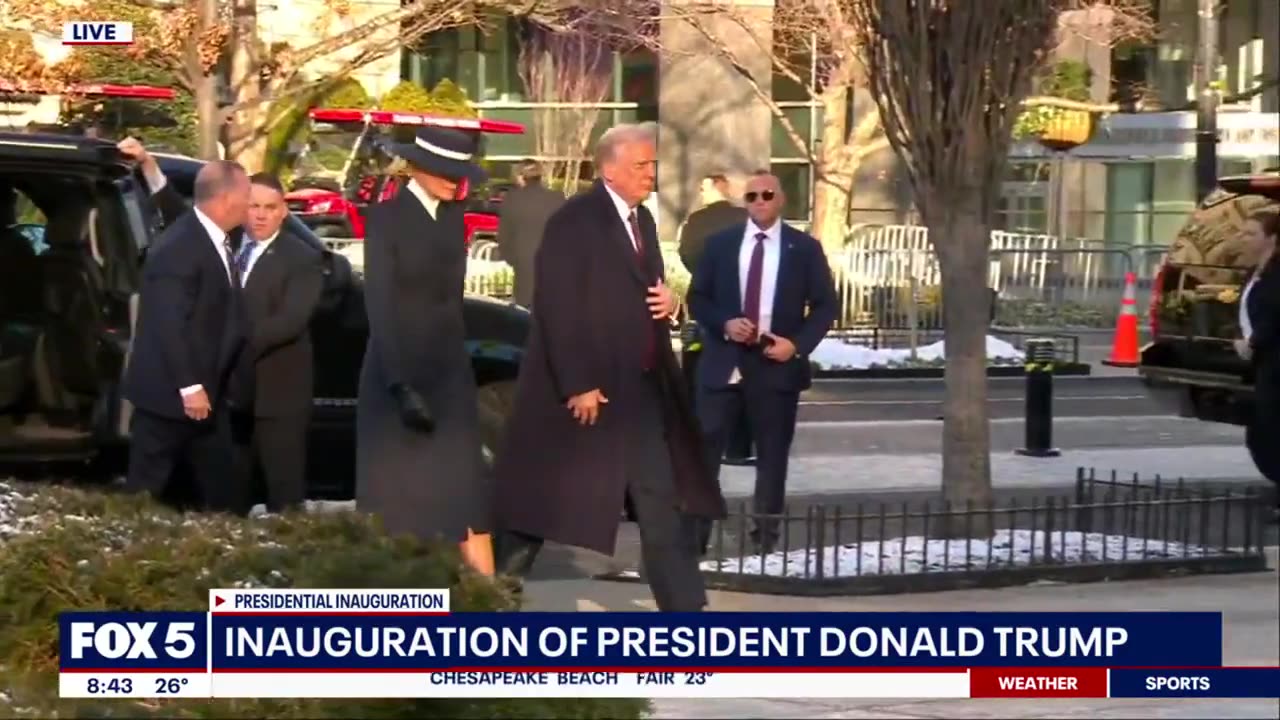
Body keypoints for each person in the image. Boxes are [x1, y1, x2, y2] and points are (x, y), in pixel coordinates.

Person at [492, 123, 726, 612]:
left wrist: (671, 305)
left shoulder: (642, 221)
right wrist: (577, 384)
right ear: (610, 168)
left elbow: (646, 291)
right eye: (641, 166)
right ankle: (493, 596)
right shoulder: (574, 221)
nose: (650, 175)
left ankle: (686, 610)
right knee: (544, 504)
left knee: (660, 502)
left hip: (640, 392)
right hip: (587, 394)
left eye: (652, 165)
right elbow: (556, 305)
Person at [356, 124, 495, 575]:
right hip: (398, 376)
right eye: (447, 172)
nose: (457, 181)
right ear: (419, 167)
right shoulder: (388, 219)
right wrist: (400, 385)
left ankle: (487, 615)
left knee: (467, 500)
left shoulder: (455, 217)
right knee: (400, 511)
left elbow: (451, 302)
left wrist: (460, 369)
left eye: (461, 173)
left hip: (449, 374)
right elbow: (379, 304)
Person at [689, 171, 838, 555]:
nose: (759, 201)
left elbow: (825, 305)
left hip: (775, 367)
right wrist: (724, 323)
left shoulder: (802, 248)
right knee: (705, 455)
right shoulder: (720, 245)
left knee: (771, 458)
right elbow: (698, 298)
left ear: (781, 198)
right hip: (724, 365)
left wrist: (797, 345)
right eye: (751, 195)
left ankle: (765, 542)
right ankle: (695, 539)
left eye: (767, 194)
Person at [121, 160, 251, 514]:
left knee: (223, 488)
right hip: (171, 397)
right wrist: (190, 386)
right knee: (146, 490)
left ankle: (223, 551)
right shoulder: (179, 247)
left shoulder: (213, 238)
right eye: (246, 198)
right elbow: (168, 323)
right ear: (225, 200)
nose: (249, 207)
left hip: (207, 400)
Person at [227, 173, 325, 514]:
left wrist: (229, 344)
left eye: (270, 207)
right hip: (233, 396)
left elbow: (290, 320)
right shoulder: (229, 244)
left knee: (283, 495)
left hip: (279, 395)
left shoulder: (303, 258)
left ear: (284, 212)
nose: (260, 214)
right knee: (229, 492)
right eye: (253, 206)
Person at [676, 173, 755, 469]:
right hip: (743, 299)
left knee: (700, 363)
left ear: (714, 189)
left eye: (702, 187)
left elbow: (686, 254)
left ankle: (701, 437)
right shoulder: (745, 217)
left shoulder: (696, 221)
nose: (699, 191)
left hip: (706, 300)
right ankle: (740, 445)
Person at [1233, 208, 1280, 524]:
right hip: (1264, 363)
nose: (1243, 238)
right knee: (1261, 431)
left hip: (1277, 362)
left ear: (1272, 240)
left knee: (1270, 430)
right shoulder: (1255, 272)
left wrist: (1253, 342)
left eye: (1251, 233)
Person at [494, 160, 565, 308]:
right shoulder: (557, 198)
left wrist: (513, 259)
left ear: (521, 177)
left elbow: (504, 237)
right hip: (554, 269)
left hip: (524, 268)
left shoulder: (512, 199)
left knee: (526, 316)